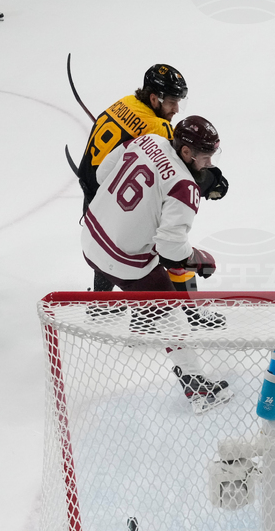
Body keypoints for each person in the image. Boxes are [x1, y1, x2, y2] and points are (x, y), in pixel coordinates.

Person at [81, 116, 232, 414]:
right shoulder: (185, 188)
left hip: (90, 235)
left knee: (144, 258)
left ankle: (141, 320)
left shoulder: (147, 139)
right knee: (168, 309)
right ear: (187, 153)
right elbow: (170, 249)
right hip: (122, 259)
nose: (209, 163)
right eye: (205, 156)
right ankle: (196, 387)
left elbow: (102, 176)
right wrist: (197, 258)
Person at [78, 64, 227, 294]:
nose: (177, 109)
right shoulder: (155, 130)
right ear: (154, 98)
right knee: (162, 247)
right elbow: (178, 164)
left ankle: (101, 302)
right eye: (172, 102)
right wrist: (209, 183)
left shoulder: (126, 102)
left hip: (96, 188)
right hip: (118, 194)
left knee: (109, 239)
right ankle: (184, 312)